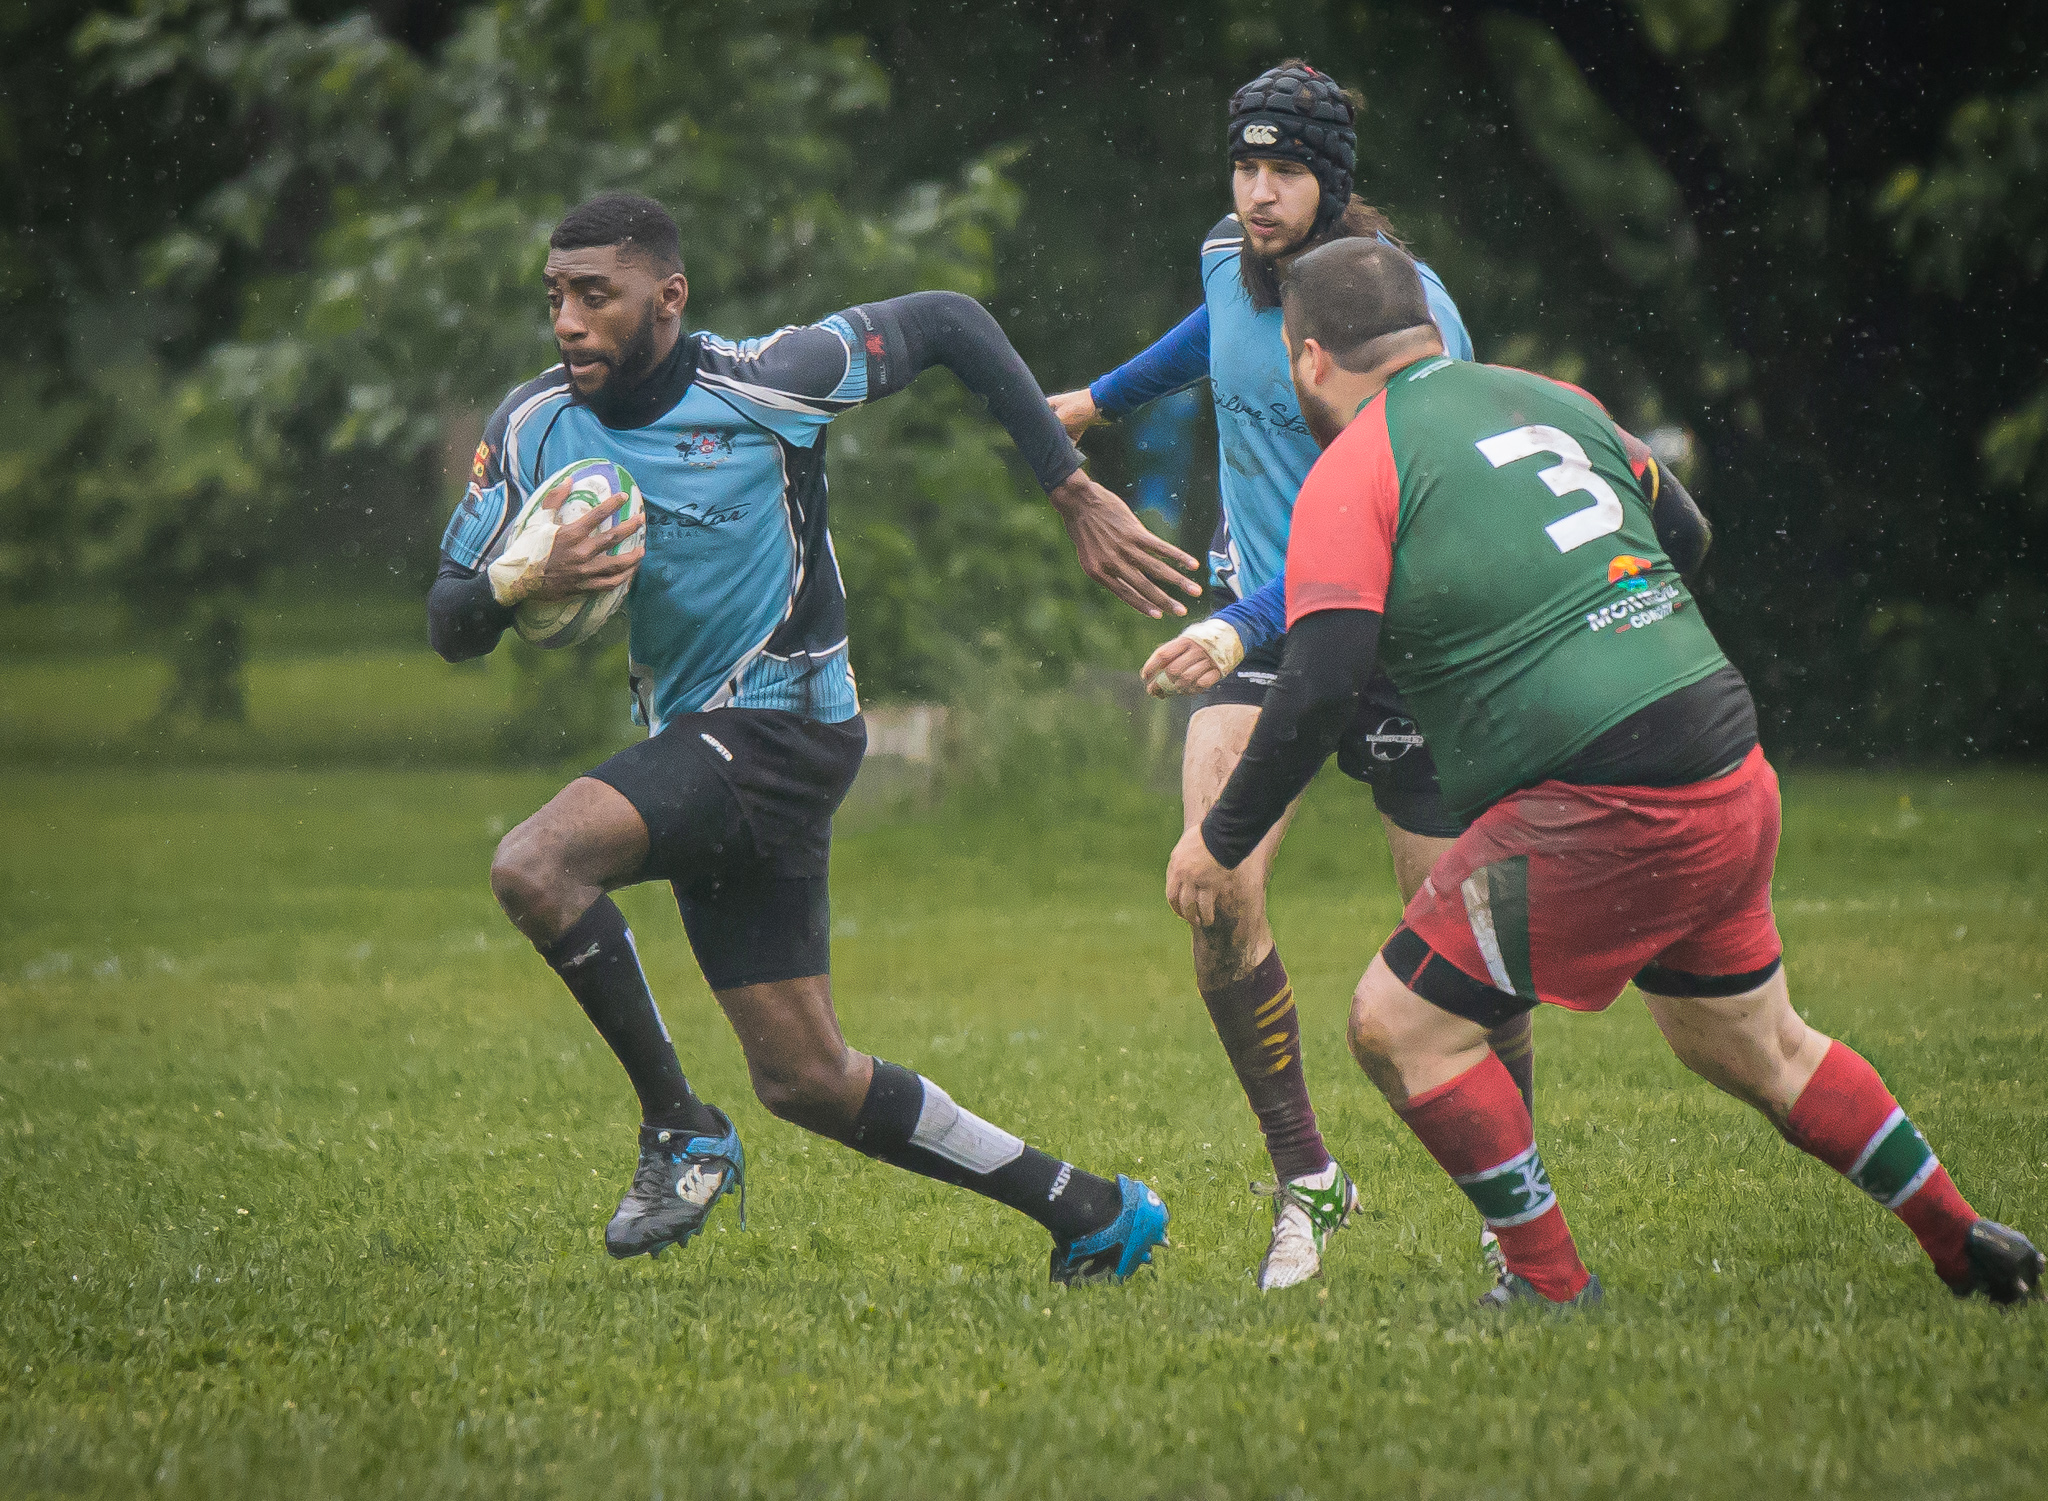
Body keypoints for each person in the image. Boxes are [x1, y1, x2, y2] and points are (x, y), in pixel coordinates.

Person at [1165, 235, 2044, 1308]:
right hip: (1720, 753)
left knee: (1396, 1025)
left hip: (1604, 800)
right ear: (1426, 328)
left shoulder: (1355, 463)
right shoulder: (1549, 397)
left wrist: (1218, 842)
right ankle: (1961, 1239)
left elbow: (1318, 683)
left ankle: (1544, 1280)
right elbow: (1683, 526)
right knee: (1750, 1041)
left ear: (1308, 360)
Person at [429, 193, 1194, 1282]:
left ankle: (679, 1131)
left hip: (784, 726)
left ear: (667, 295)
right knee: (806, 1079)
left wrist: (1067, 487)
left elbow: (945, 321)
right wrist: (517, 578)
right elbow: (448, 619)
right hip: (701, 744)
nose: (568, 321)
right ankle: (1090, 1211)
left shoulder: (769, 380)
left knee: (535, 863)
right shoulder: (531, 425)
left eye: (596, 295)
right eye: (555, 296)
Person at [1049, 59, 1516, 1292]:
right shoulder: (1224, 255)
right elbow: (1219, 333)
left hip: (1399, 641)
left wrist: (1240, 625)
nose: (1257, 194)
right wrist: (1097, 400)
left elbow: (1403, 515)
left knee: (1463, 944)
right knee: (1212, 889)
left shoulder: (1401, 316)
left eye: (1283, 171)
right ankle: (1306, 1178)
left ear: (1331, 180)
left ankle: (1511, 1207)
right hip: (1267, 640)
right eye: (1243, 167)